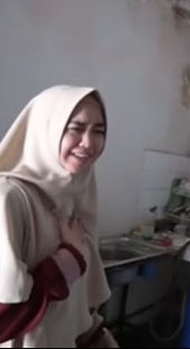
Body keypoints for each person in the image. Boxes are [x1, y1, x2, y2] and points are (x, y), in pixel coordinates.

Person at [0, 85, 118, 347]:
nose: (88, 143)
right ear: (46, 129)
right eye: (75, 128)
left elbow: (75, 301)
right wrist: (69, 259)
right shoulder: (8, 198)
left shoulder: (75, 196)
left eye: (98, 131)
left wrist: (98, 335)